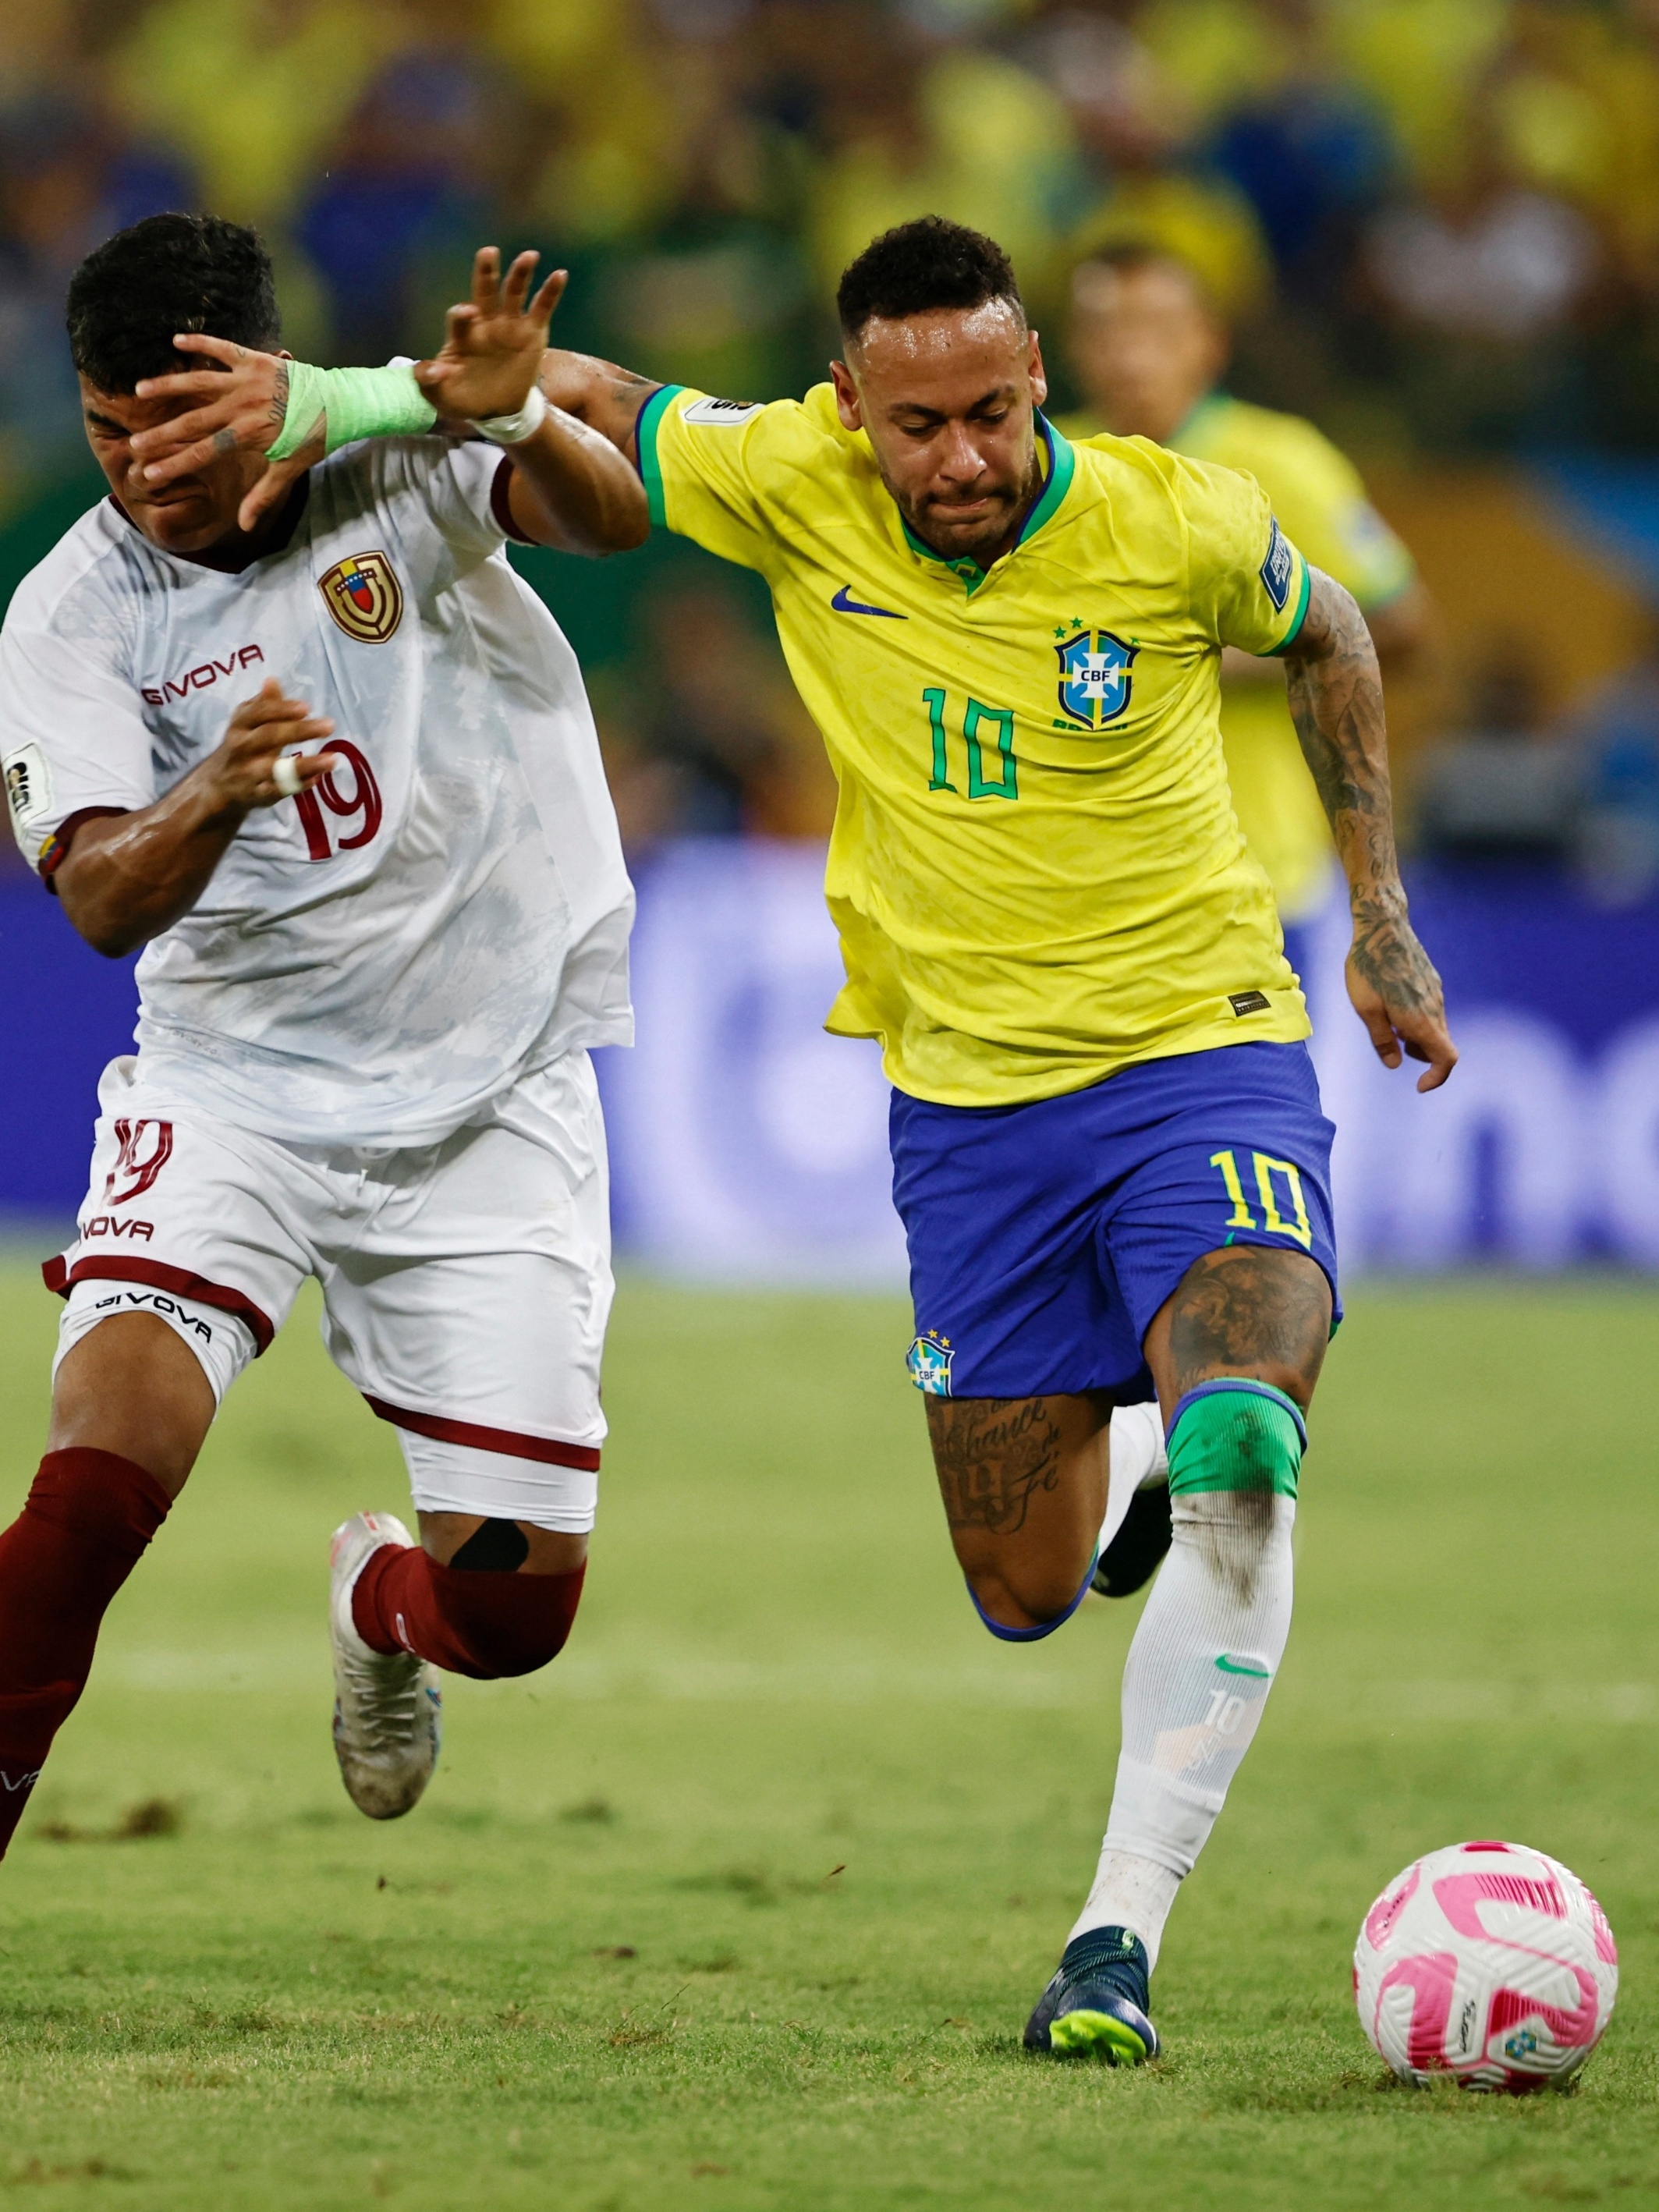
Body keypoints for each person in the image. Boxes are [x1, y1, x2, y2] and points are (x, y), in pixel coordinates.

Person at [151, 212, 1459, 2065]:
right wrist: (355, 393)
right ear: (852, 406)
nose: (963, 460)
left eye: (996, 414)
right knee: (1018, 1591)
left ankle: (1113, 1938)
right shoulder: (790, 477)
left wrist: (1381, 920)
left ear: (1030, 391)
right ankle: (1137, 1458)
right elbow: (592, 394)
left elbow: (1324, 622)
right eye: (918, 426)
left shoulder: (1162, 513)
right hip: (968, 1118)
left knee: (1249, 1431)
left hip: (1200, 1052)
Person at [0, 214, 647, 1853]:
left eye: (183, 423)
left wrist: (501, 412)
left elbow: (613, 513)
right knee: (89, 1492)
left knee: (510, 1619)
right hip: (237, 1090)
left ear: (263, 384)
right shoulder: (71, 613)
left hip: (487, 1091)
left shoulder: (394, 466)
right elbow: (95, 898)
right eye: (108, 428)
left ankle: (377, 1597)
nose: (145, 466)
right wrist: (208, 790)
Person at [1062, 243, 1433, 986]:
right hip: (1075, 884)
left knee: (1251, 1100)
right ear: (1068, 349)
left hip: (1251, 872)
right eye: (1105, 331)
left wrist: (1214, 662)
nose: (1130, 354)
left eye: (1157, 330)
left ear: (1208, 341)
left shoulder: (1280, 461)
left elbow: (1405, 627)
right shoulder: (1039, 464)